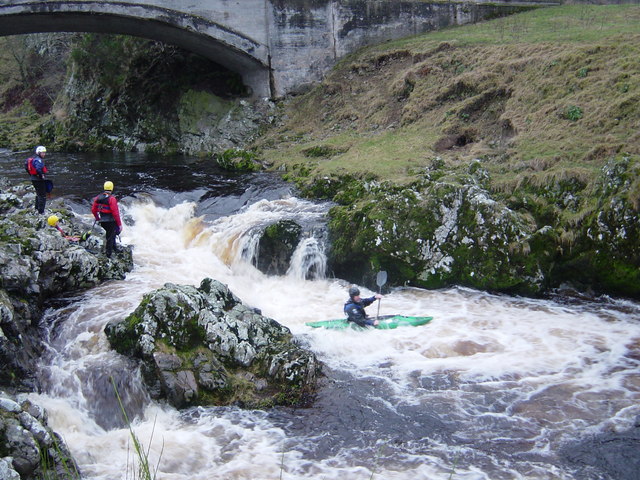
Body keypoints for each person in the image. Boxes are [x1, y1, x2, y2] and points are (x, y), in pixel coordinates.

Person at [91, 181, 122, 257]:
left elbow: (93, 210)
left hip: (102, 220)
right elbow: (115, 213)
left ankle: (115, 248)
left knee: (112, 235)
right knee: (110, 237)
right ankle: (109, 254)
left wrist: (97, 218)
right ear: (112, 188)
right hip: (111, 221)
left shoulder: (98, 198)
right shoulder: (112, 199)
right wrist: (119, 224)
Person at [25, 145, 48, 213]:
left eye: (44, 152)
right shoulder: (38, 160)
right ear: (38, 153)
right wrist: (41, 176)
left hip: (34, 178)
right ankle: (41, 211)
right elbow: (38, 169)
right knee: (42, 195)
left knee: (38, 194)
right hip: (38, 179)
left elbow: (27, 168)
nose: (44, 154)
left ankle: (36, 208)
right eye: (42, 153)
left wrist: (31, 175)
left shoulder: (34, 159)